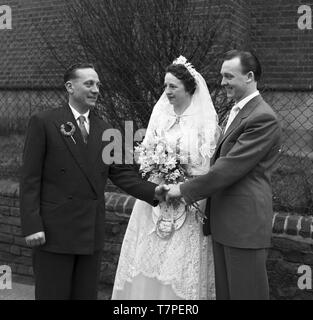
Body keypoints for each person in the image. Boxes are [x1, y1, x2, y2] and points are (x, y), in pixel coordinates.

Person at [19, 62, 167, 300]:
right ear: (70, 86)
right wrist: (32, 225)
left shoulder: (106, 129)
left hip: (90, 232)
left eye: (98, 84)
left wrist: (156, 191)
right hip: (53, 231)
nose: (96, 89)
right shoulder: (44, 122)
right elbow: (29, 178)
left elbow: (122, 173)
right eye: (89, 83)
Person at [166, 50, 282, 300]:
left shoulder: (263, 117)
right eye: (221, 76)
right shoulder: (238, 111)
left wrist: (183, 190)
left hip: (244, 226)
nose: (222, 82)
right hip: (225, 223)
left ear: (249, 76)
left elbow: (229, 167)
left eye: (229, 76)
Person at [112, 56, 220, 300]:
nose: (167, 91)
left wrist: (181, 183)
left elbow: (207, 167)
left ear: (189, 88)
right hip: (156, 198)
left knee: (178, 264)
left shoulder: (205, 122)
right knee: (148, 260)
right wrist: (155, 172)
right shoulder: (160, 115)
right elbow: (146, 153)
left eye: (173, 86)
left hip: (187, 199)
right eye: (165, 86)